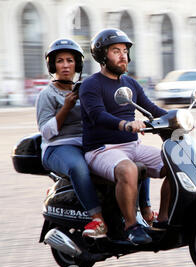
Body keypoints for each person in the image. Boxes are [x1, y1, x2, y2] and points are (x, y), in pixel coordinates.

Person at [36, 38, 156, 240]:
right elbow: (46, 132)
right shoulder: (47, 94)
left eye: (70, 60)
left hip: (88, 143)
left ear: (78, 64)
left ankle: (145, 209)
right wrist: (66, 108)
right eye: (60, 61)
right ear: (52, 65)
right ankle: (97, 219)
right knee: (78, 167)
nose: (66, 65)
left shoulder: (85, 88)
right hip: (59, 146)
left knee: (138, 162)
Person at [79, 28, 170, 245]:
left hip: (132, 145)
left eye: (125, 51)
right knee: (128, 168)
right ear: (102, 56)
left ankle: (164, 220)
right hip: (101, 149)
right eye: (116, 51)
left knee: (177, 163)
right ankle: (131, 226)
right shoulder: (91, 84)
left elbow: (151, 108)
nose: (123, 56)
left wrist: (179, 118)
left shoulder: (130, 83)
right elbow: (97, 114)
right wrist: (125, 124)